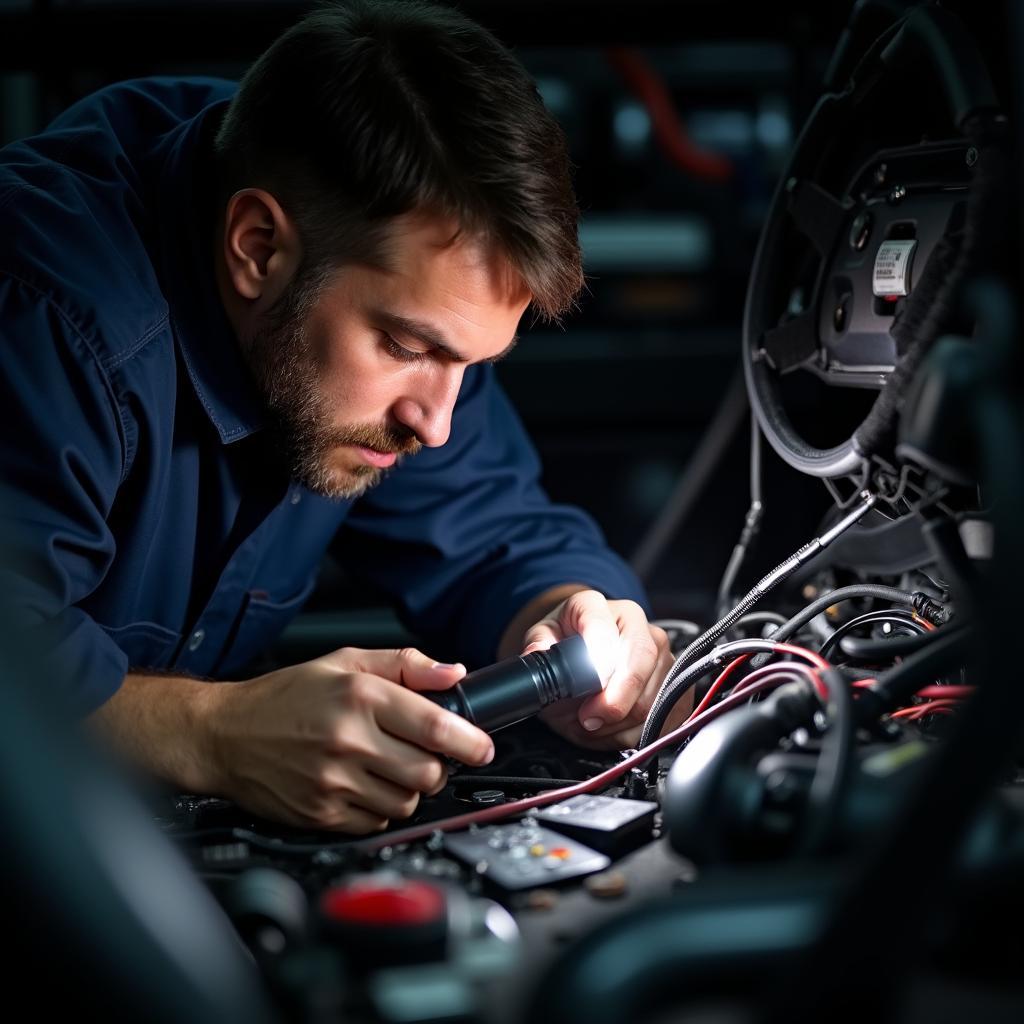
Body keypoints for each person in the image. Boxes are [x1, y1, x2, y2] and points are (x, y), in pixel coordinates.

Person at [0, 0, 678, 835]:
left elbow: (495, 535)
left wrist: (572, 612)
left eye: (473, 366)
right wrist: (213, 733)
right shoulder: (51, 317)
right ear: (257, 247)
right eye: (404, 345)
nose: (436, 422)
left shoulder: (384, 291)